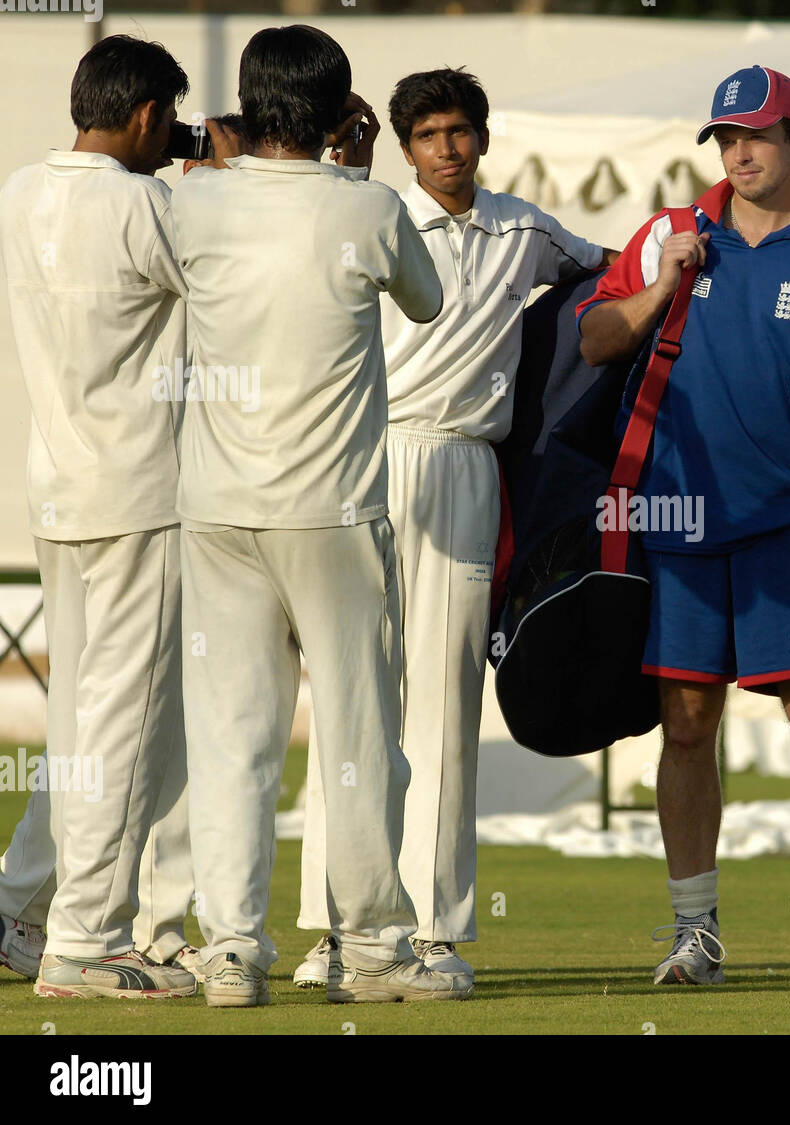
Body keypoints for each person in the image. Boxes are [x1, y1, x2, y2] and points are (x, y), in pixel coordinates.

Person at [292, 67, 616, 996]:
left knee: (442, 705)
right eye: (429, 133)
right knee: (355, 701)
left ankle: (433, 933)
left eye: (461, 130)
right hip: (367, 458)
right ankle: (339, 928)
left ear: (483, 135)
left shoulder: (524, 229)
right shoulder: (371, 217)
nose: (449, 149)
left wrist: (689, 246)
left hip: (468, 464)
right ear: (405, 145)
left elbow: (610, 268)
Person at [578, 65, 790, 987]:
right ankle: (694, 935)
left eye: (757, 133)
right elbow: (597, 340)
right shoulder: (670, 233)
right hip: (677, 521)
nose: (740, 152)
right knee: (684, 725)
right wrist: (659, 287)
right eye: (726, 137)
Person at [171, 24, 445, 1007]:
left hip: (217, 512)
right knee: (359, 736)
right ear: (340, 114)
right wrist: (357, 173)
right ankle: (371, 950)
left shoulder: (191, 204)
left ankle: (233, 952)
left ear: (250, 108)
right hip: (332, 512)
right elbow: (426, 299)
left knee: (232, 735)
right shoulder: (367, 206)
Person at [0, 34, 197, 998]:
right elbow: (225, 286)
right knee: (129, 720)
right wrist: (228, 176)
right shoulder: (152, 203)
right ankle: (89, 942)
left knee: (79, 725)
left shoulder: (18, 189)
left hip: (59, 484)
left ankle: (18, 912)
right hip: (142, 493)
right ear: (150, 115)